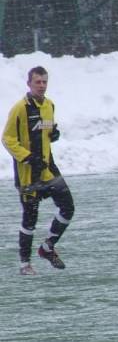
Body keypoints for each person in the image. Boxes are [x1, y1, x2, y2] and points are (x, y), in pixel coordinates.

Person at [2, 66, 74, 275]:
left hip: (48, 170)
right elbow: (7, 139)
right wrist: (27, 157)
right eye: (37, 82)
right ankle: (25, 264)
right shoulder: (20, 108)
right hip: (28, 174)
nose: (41, 86)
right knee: (30, 218)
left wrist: (53, 134)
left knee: (68, 207)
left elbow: (46, 131)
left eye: (44, 82)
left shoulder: (49, 105)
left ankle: (47, 247)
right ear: (29, 84)